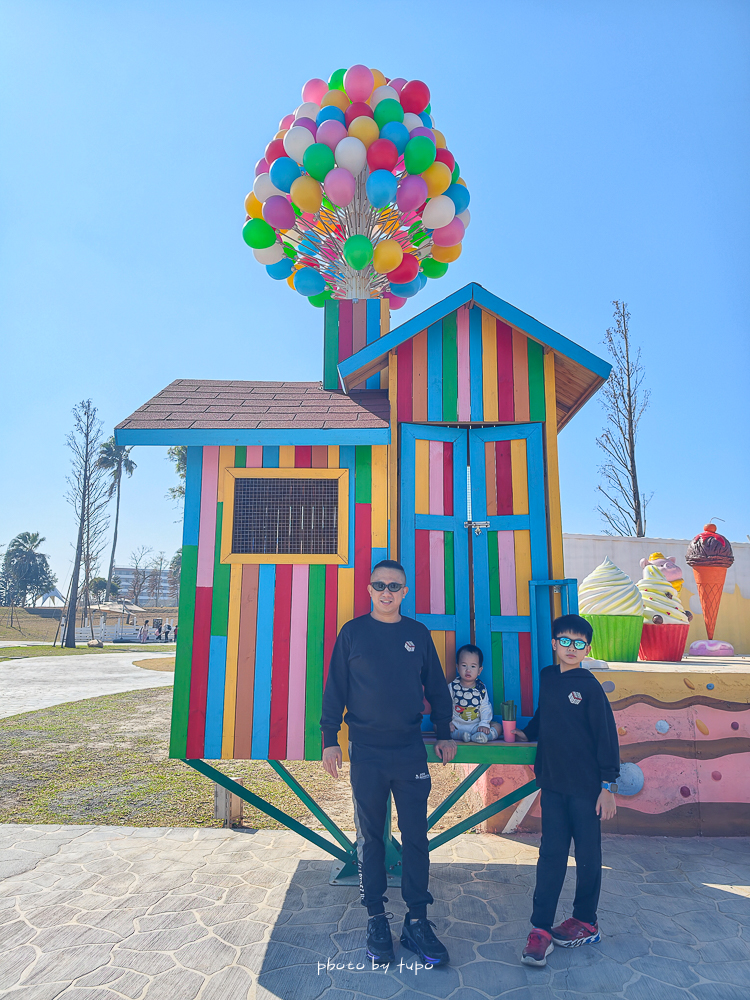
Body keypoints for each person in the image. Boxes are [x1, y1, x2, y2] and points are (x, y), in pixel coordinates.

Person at [320, 559, 457, 967]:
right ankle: (376, 918)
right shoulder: (353, 633)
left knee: (416, 836)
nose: (386, 592)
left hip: (409, 749)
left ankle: (417, 921)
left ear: (405, 592)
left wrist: (445, 730)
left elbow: (436, 686)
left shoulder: (417, 634)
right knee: (370, 839)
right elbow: (335, 691)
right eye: (379, 584)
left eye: (394, 586)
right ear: (368, 588)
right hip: (366, 750)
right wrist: (331, 740)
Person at [515, 614, 620, 967]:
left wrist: (607, 786)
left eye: (579, 643)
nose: (571, 648)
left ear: (587, 649)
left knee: (588, 856)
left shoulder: (588, 686)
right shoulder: (548, 676)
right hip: (555, 785)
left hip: (588, 789)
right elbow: (546, 714)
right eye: (565, 641)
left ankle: (586, 921)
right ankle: (540, 930)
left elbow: (607, 736)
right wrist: (526, 734)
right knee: (551, 856)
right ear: (554, 643)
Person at [449, 644, 502, 743]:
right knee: (437, 725)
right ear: (457, 667)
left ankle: (486, 736)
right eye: (464, 665)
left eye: (473, 666)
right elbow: (445, 705)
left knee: (498, 726)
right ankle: (460, 735)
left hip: (476, 726)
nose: (468, 670)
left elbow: (485, 707)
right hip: (456, 725)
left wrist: (484, 724)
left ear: (479, 670)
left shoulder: (481, 689)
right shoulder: (452, 687)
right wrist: (448, 722)